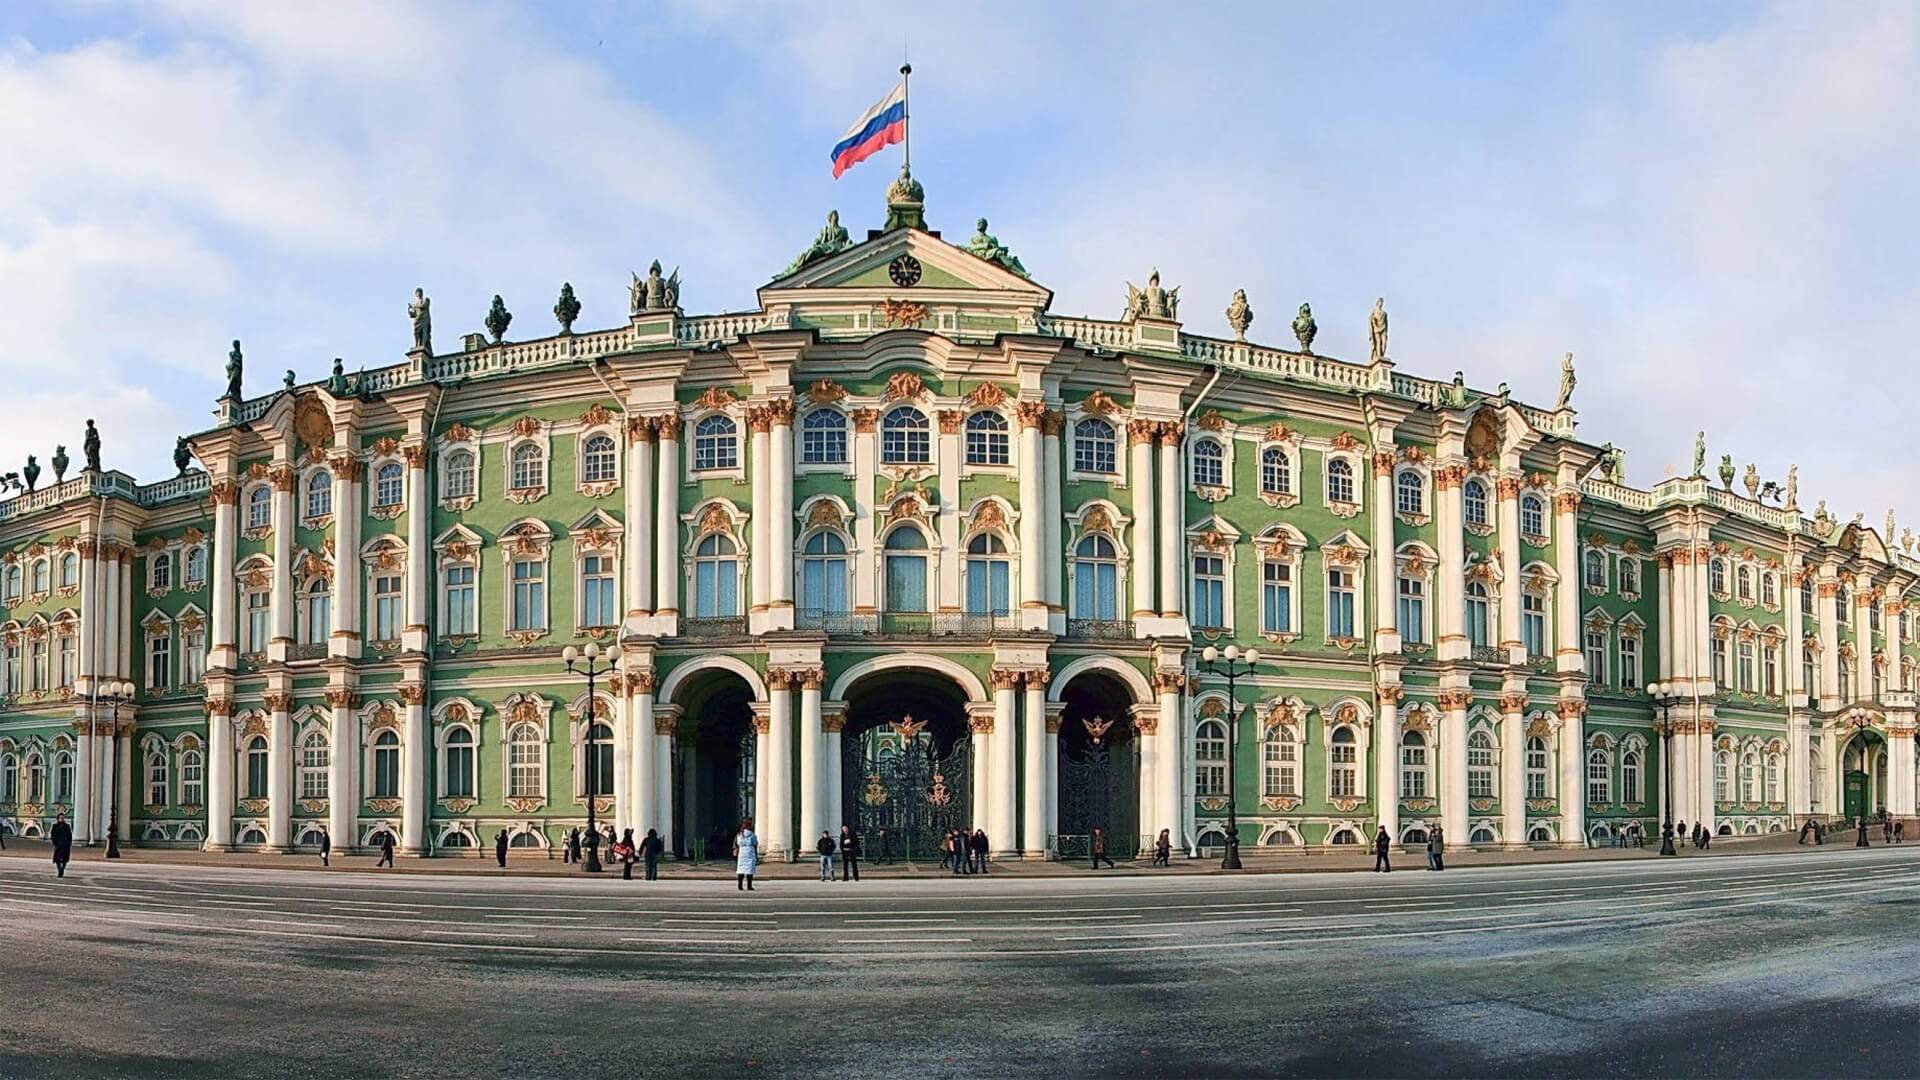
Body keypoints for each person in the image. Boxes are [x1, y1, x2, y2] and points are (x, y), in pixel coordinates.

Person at [734, 819, 760, 891]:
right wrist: (756, 855)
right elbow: (755, 843)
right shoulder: (752, 834)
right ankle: (749, 886)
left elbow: (737, 843)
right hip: (750, 852)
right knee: (749, 870)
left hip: (742, 853)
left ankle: (740, 885)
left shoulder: (739, 834)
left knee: (741, 870)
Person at [50, 814, 73, 878]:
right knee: (57, 860)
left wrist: (68, 844)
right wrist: (55, 843)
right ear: (58, 819)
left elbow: (69, 836)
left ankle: (62, 869)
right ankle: (59, 870)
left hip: (65, 846)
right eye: (60, 818)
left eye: (62, 818)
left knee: (64, 860)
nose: (62, 819)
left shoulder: (67, 826)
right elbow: (53, 835)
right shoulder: (55, 826)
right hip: (58, 845)